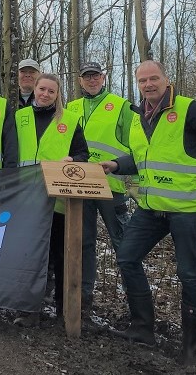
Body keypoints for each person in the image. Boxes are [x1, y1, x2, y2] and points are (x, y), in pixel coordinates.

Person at [99, 60, 196, 365]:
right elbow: (146, 157)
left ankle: (191, 348)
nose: (148, 85)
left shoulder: (189, 109)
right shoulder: (137, 115)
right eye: (142, 80)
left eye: (153, 78)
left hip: (188, 209)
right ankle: (143, 328)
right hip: (151, 207)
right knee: (127, 257)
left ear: (166, 79)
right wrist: (117, 165)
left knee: (189, 274)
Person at [14, 73, 89, 326]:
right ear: (34, 89)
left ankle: (63, 311)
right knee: (31, 256)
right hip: (26, 199)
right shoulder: (19, 117)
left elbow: (82, 154)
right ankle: (29, 310)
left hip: (57, 200)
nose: (45, 94)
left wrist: (73, 161)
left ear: (58, 95)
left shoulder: (69, 120)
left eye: (51, 91)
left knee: (60, 255)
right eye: (42, 89)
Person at [65, 61, 133, 311]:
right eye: (86, 77)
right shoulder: (70, 108)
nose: (91, 81)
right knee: (83, 242)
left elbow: (134, 145)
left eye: (95, 76)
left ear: (103, 78)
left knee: (123, 243)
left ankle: (134, 299)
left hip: (111, 185)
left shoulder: (120, 106)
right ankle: (83, 297)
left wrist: (135, 182)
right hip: (78, 185)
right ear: (80, 80)